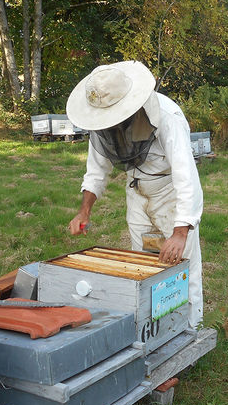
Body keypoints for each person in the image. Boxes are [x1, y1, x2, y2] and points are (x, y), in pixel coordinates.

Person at [66, 61, 204, 328]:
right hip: (137, 194)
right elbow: (96, 170)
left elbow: (186, 175)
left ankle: (189, 334)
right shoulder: (103, 123)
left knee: (183, 270)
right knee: (142, 267)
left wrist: (180, 231)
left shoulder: (167, 116)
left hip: (170, 196)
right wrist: (84, 210)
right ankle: (151, 333)